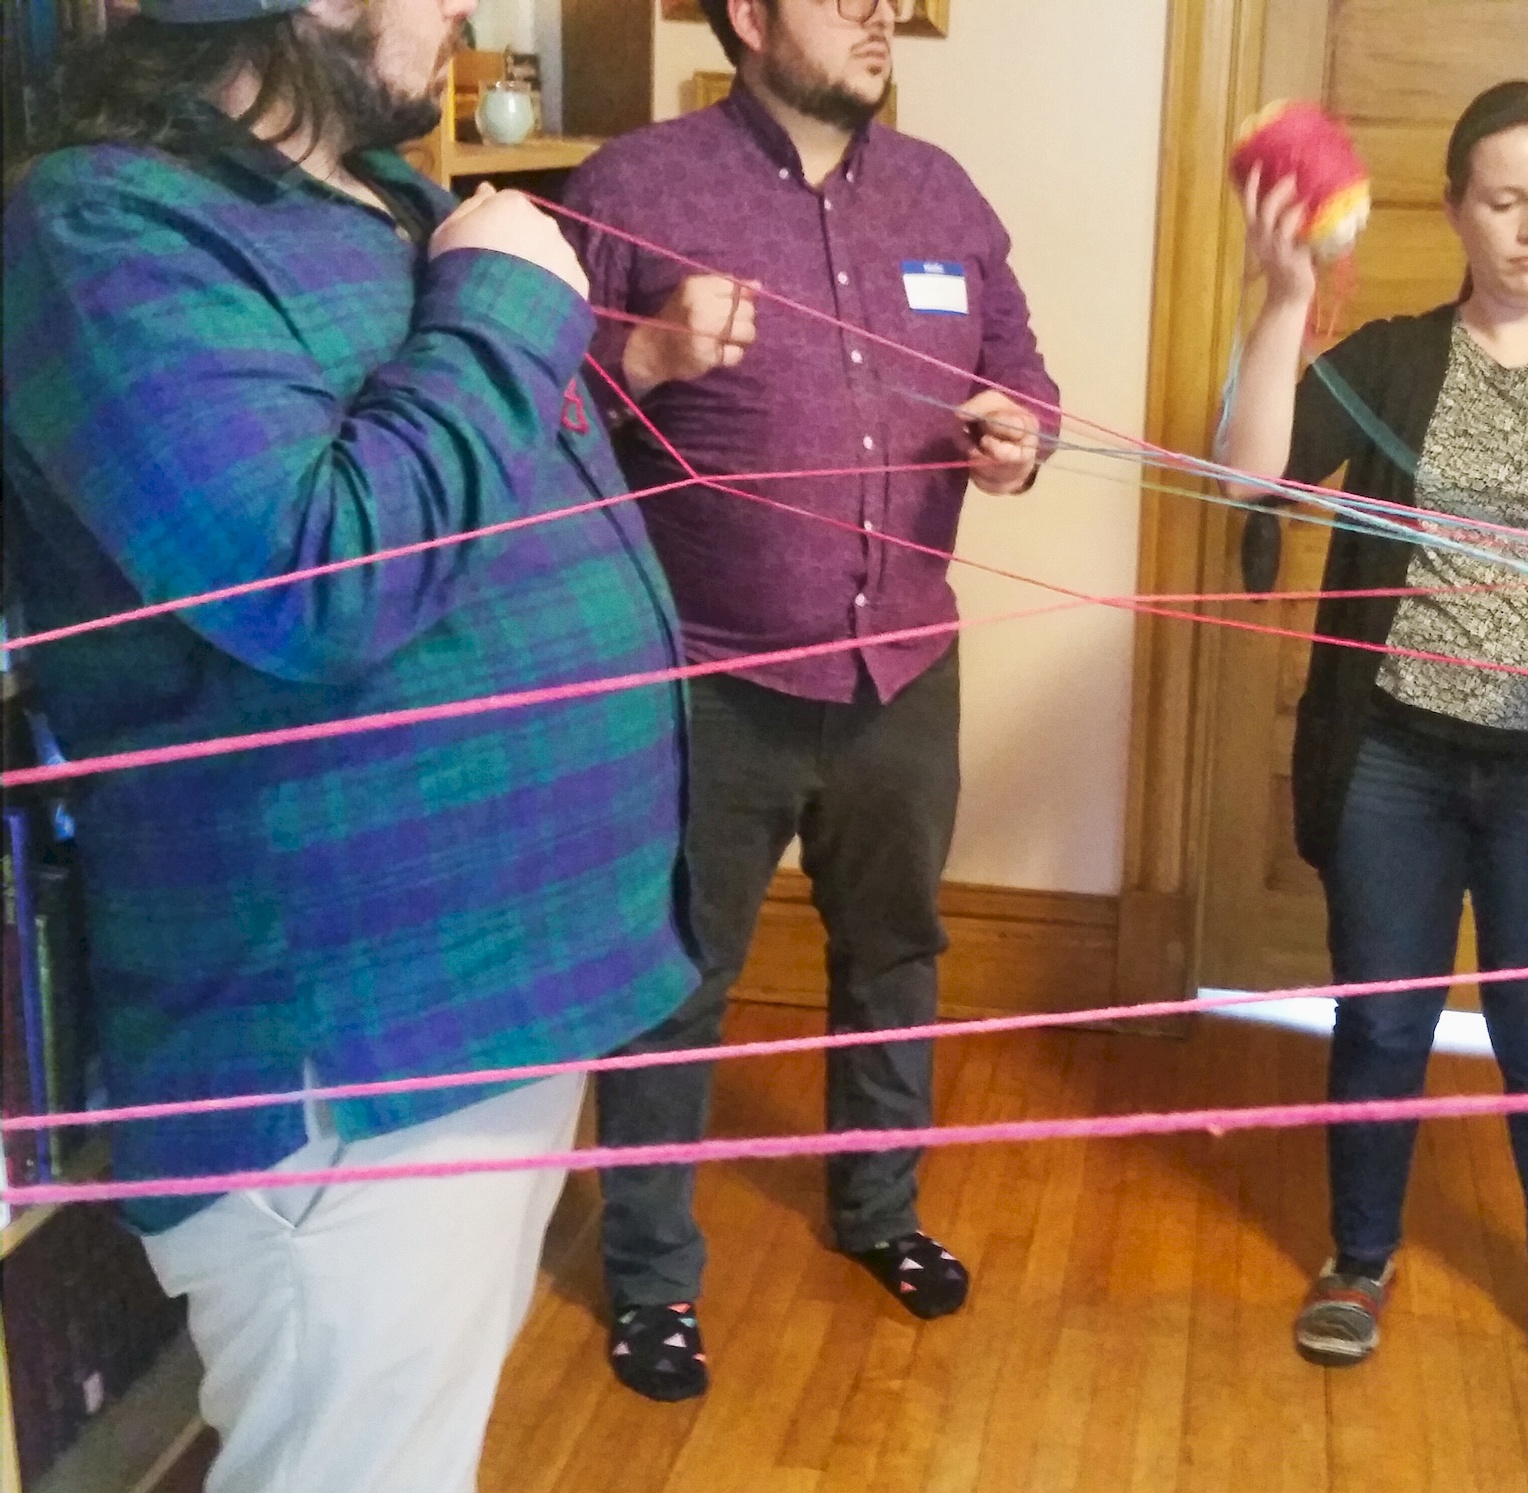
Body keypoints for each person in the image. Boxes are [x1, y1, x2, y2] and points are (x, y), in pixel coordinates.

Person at [2, 2, 700, 1488]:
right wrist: (506, 302)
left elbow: (452, 484)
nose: (464, 13)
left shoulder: (387, 202)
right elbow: (314, 575)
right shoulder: (99, 223)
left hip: (495, 1009)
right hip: (349, 1058)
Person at [561, 0, 1057, 1403]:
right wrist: (645, 356)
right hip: (710, 684)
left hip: (903, 674)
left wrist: (1022, 437)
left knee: (894, 951)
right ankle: (652, 1278)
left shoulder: (943, 193)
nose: (878, 13)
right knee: (675, 983)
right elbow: (540, 414)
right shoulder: (632, 187)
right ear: (749, 15)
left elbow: (1021, 371)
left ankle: (879, 1210)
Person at [1217, 79, 1528, 1425]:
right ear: (1455, 211)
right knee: (1382, 1019)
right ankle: (1359, 1258)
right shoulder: (1392, 357)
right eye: (1505, 200)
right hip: (1393, 754)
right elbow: (1249, 475)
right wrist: (1283, 297)